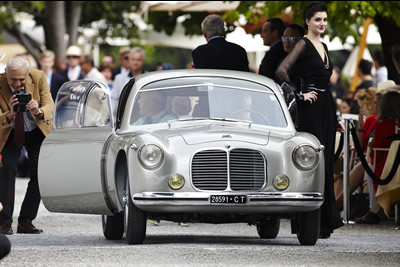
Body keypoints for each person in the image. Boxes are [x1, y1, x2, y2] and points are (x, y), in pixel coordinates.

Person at [275, 1, 344, 238]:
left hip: (325, 108)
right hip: (310, 108)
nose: (322, 23)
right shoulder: (303, 44)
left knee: (326, 162)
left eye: (324, 20)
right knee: (315, 162)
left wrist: (335, 117)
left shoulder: (323, 45)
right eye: (317, 20)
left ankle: (324, 223)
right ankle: (314, 223)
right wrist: (299, 94)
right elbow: (282, 70)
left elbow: (326, 84)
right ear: (307, 21)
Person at [0, 56, 54, 235]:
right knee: (7, 169)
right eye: (12, 79)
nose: (17, 83)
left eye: (21, 79)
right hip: (10, 131)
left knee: (42, 172)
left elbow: (50, 106)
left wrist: (38, 110)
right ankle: (4, 221)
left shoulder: (38, 77)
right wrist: (9, 113)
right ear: (5, 74)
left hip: (35, 129)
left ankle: (25, 220)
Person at [356, 88, 400, 224]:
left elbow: (375, 150)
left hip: (384, 167)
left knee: (370, 168)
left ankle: (374, 209)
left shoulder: (383, 125)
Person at [111, 47, 146, 112]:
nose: (135, 62)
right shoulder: (119, 78)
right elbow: (113, 98)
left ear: (143, 61)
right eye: (133, 59)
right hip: (125, 115)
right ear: (129, 61)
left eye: (138, 60)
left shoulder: (148, 78)